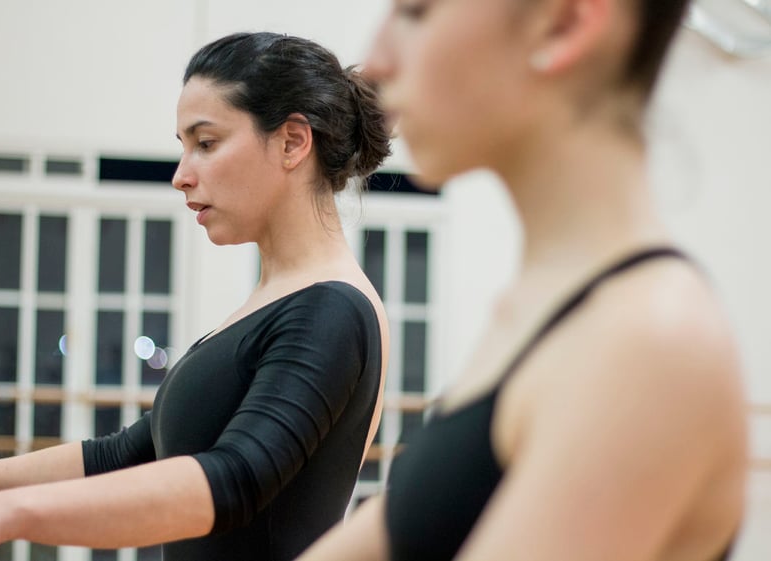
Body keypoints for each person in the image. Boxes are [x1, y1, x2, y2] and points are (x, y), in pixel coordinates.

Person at [297, 1, 748, 560]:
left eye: (416, 12)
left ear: (565, 23)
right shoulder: (543, 308)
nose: (379, 60)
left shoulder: (649, 340)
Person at [0, 31, 391, 561]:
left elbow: (235, 480)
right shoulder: (273, 302)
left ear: (292, 142)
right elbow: (125, 455)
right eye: (184, 147)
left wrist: (8, 515)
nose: (181, 176)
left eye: (207, 143)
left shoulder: (330, 308)